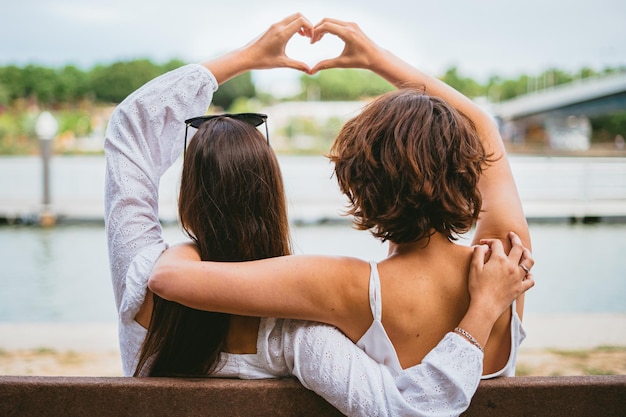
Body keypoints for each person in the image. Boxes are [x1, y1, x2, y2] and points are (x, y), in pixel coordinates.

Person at [105, 13, 533, 417]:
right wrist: (377, 58)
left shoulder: (345, 285)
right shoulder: (504, 264)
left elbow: (167, 273)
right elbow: (483, 127)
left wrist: (249, 56)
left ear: (358, 188)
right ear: (470, 168)